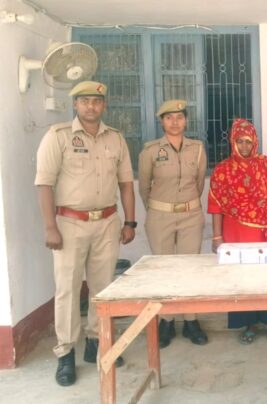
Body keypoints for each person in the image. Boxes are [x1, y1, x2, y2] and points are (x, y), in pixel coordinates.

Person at [35, 81, 135, 386]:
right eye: (85, 101)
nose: (91, 106)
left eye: (96, 101)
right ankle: (65, 353)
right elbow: (44, 184)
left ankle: (97, 343)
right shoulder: (58, 136)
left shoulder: (116, 138)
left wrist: (130, 222)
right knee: (67, 288)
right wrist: (50, 226)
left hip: (107, 221)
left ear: (104, 105)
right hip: (70, 223)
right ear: (75, 104)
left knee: (102, 288)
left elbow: (126, 184)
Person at [208, 118, 267, 344]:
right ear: (232, 142)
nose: (244, 146)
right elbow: (216, 205)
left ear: (255, 142)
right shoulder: (223, 170)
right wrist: (217, 237)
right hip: (236, 234)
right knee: (242, 278)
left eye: (248, 141)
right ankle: (249, 324)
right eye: (240, 141)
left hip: (266, 234)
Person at [138, 99, 208, 348]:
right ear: (161, 122)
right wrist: (160, 209)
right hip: (160, 216)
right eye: (169, 118)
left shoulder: (197, 149)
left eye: (179, 117)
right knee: (164, 269)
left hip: (190, 215)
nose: (175, 122)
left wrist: (186, 205)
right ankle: (166, 321)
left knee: (190, 269)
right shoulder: (150, 151)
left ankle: (191, 321)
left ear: (186, 120)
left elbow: (199, 183)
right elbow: (144, 187)